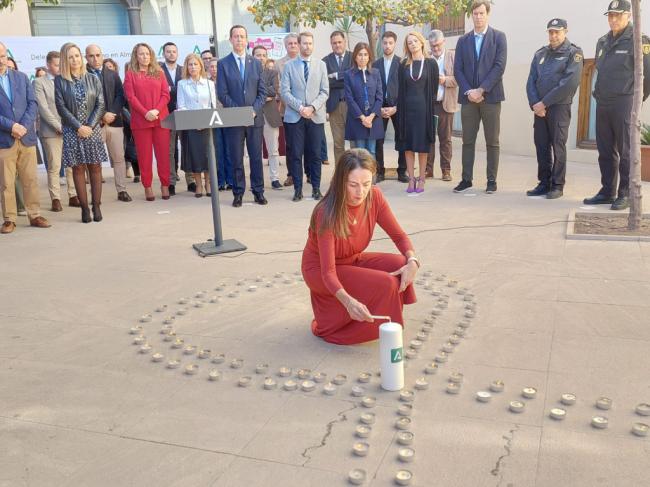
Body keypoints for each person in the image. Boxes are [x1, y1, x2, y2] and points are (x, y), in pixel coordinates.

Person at [301, 149, 419, 345]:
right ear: (341, 182)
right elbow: (328, 272)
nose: (360, 192)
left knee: (400, 263)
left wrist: (413, 260)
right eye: (353, 185)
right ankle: (361, 325)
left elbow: (399, 235)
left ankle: (386, 320)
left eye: (366, 184)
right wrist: (348, 302)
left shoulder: (374, 197)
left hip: (350, 259)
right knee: (386, 283)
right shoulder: (326, 212)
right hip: (320, 270)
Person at [584, 0, 650, 210]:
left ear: (629, 16)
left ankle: (626, 193)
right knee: (605, 150)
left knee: (626, 151)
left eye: (618, 15)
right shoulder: (602, 41)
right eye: (610, 16)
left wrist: (635, 102)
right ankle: (606, 191)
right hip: (603, 102)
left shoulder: (639, 40)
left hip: (624, 102)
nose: (613, 19)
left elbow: (647, 75)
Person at [453, 0, 507, 194]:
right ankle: (466, 179)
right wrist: (469, 91)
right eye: (475, 13)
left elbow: (499, 67)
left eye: (481, 13)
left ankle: (491, 181)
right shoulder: (463, 40)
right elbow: (458, 69)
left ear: (488, 14)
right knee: (468, 140)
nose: (478, 16)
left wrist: (481, 90)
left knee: (492, 141)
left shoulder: (499, 37)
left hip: (490, 98)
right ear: (471, 15)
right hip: (469, 99)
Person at [526, 19, 583, 200]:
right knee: (541, 146)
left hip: (559, 108)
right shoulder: (540, 54)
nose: (553, 35)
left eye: (557, 32)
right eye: (550, 32)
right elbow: (530, 82)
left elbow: (568, 84)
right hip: (539, 110)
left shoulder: (574, 53)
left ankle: (557, 185)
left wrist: (544, 103)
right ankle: (544, 183)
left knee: (558, 146)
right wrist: (535, 104)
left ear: (565, 31)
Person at [0, 41, 51, 234]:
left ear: (7, 56)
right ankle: (9, 219)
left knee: (30, 179)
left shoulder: (21, 77)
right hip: (4, 140)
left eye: (3, 55)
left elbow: (33, 103)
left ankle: (35, 214)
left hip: (26, 137)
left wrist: (22, 126)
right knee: (6, 182)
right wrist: (11, 126)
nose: (0, 60)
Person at [54, 42, 107, 223]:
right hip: (72, 130)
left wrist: (90, 126)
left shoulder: (93, 78)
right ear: (65, 60)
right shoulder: (60, 81)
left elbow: (100, 104)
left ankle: (97, 206)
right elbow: (61, 108)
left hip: (92, 130)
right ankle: (84, 209)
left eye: (77, 55)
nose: (75, 59)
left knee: (95, 167)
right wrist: (78, 126)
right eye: (70, 57)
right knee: (77, 168)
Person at [217, 25, 268, 207]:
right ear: (231, 40)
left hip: (255, 118)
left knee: (256, 157)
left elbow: (262, 92)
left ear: (247, 40)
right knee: (236, 158)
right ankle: (238, 192)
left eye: (242, 36)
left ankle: (258, 191)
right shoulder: (223, 64)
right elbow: (222, 93)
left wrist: (253, 110)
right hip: (234, 119)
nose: (239, 40)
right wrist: (239, 113)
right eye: (236, 36)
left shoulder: (255, 63)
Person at [281, 31, 329, 202]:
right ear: (299, 44)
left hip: (315, 117)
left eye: (310, 43)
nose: (307, 46)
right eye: (304, 43)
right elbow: (284, 92)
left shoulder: (321, 65)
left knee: (316, 154)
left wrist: (312, 107)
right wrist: (301, 107)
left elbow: (325, 91)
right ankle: (298, 190)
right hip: (295, 117)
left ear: (313, 45)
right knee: (295, 154)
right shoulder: (289, 66)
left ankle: (316, 189)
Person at [123, 42, 171, 201]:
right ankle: (148, 186)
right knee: (144, 157)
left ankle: (165, 185)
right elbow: (131, 97)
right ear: (136, 56)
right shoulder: (131, 74)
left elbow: (166, 94)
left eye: (147, 54)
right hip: (141, 121)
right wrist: (146, 113)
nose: (144, 56)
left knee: (164, 155)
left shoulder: (159, 72)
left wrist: (156, 110)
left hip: (160, 119)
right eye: (141, 54)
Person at [85, 44, 132, 203]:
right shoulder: (81, 76)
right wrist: (100, 116)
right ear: (86, 57)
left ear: (102, 55)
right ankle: (95, 194)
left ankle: (122, 190)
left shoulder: (112, 74)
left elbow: (121, 95)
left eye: (98, 55)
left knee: (119, 158)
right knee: (94, 161)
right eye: (91, 56)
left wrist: (112, 112)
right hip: (94, 125)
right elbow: (83, 101)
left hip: (114, 121)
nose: (95, 59)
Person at [33, 50, 79, 212]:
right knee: (54, 166)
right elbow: (43, 108)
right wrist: (58, 126)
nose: (60, 67)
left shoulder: (68, 80)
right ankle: (56, 199)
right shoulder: (39, 82)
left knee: (72, 164)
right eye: (56, 64)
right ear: (48, 65)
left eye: (61, 64)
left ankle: (73, 195)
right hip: (52, 131)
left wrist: (72, 125)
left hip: (70, 129)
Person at [396, 32, 439, 194]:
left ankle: (422, 178)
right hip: (407, 110)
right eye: (409, 42)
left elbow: (433, 89)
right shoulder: (403, 65)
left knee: (422, 146)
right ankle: (411, 179)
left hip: (423, 111)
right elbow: (401, 89)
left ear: (421, 43)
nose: (412, 44)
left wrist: (427, 108)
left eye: (415, 41)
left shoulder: (430, 64)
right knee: (408, 146)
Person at [176, 53, 217, 198]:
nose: (193, 67)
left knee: (207, 156)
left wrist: (204, 122)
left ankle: (208, 183)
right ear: (186, 67)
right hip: (191, 126)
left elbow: (213, 106)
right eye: (190, 64)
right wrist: (195, 122)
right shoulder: (182, 84)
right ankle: (198, 184)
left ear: (201, 66)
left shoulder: (209, 83)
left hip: (207, 126)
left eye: (195, 64)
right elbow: (181, 106)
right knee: (195, 157)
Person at [373, 31, 408, 184]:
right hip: (380, 107)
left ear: (395, 44)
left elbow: (405, 88)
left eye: (390, 43)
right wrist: (378, 108)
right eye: (385, 43)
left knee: (401, 138)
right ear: (382, 44)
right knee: (378, 140)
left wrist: (396, 107)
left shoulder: (402, 63)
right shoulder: (375, 64)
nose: (387, 46)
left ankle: (402, 171)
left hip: (397, 106)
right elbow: (373, 88)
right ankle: (380, 171)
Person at [160, 42, 192, 196]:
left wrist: (169, 89)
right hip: (167, 116)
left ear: (177, 53)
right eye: (168, 51)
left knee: (187, 148)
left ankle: (191, 180)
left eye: (174, 51)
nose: (171, 54)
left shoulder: (183, 70)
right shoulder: (158, 71)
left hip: (184, 114)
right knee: (169, 151)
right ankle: (171, 182)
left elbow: (187, 88)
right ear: (164, 53)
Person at [427, 30, 459, 182]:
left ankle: (446, 170)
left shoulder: (453, 56)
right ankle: (428, 169)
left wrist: (444, 80)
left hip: (445, 105)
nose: (436, 49)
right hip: (429, 105)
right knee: (429, 139)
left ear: (444, 42)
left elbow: (459, 79)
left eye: (438, 45)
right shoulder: (426, 58)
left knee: (445, 139)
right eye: (433, 46)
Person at [344, 42, 383, 158]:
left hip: (373, 119)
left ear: (369, 56)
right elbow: (349, 99)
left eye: (365, 54)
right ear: (355, 57)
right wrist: (363, 118)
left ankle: (371, 177)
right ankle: (360, 176)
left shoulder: (375, 73)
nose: (363, 57)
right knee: (359, 153)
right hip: (357, 119)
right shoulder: (348, 74)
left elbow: (379, 97)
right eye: (360, 54)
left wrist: (370, 117)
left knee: (372, 152)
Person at [253, 46, 282, 190]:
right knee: (255, 151)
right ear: (252, 57)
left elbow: (274, 90)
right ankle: (257, 181)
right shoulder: (248, 73)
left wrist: (259, 93)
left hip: (270, 115)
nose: (261, 58)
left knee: (273, 150)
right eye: (258, 55)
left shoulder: (272, 72)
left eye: (263, 55)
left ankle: (275, 178)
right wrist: (266, 95)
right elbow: (250, 94)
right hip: (254, 115)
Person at [323, 31, 352, 164]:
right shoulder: (325, 61)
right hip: (334, 106)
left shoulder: (353, 57)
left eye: (339, 42)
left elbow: (354, 77)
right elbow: (326, 83)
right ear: (331, 44)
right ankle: (340, 173)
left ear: (344, 42)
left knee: (354, 143)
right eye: (334, 43)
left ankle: (353, 171)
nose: (337, 45)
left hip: (352, 106)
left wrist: (335, 76)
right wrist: (345, 77)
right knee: (338, 143)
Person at [277, 33, 301, 187]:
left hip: (307, 111)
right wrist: (295, 104)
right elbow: (279, 87)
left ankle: (310, 174)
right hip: (288, 111)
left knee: (309, 146)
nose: (292, 45)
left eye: (294, 43)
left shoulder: (306, 61)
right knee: (291, 146)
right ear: (285, 46)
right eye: (289, 43)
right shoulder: (280, 64)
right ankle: (291, 174)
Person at [207, 58, 233, 191]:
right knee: (218, 151)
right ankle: (220, 180)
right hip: (213, 119)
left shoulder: (227, 81)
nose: (214, 69)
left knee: (229, 150)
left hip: (227, 118)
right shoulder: (206, 83)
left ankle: (231, 180)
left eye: (216, 67)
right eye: (211, 67)